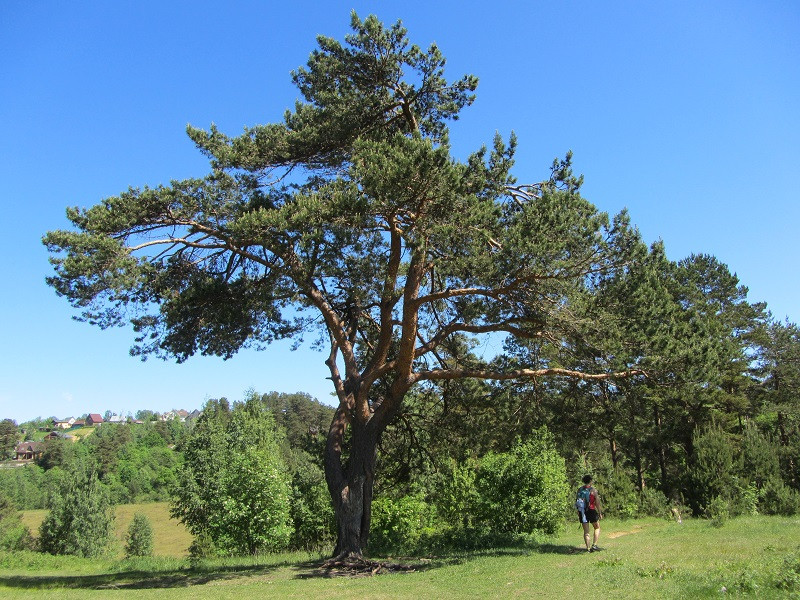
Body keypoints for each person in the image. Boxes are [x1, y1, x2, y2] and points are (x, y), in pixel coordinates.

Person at [576, 474, 603, 552]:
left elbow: (577, 501)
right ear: (590, 481)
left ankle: (588, 548)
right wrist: (600, 512)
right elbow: (597, 503)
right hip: (591, 510)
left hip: (582, 511)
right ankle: (594, 545)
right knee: (597, 527)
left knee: (586, 531)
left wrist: (578, 511)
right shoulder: (593, 491)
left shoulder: (579, 490)